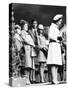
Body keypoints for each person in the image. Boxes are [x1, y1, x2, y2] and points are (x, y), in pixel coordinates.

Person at [47, 14, 63, 84]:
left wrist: (60, 39)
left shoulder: (56, 28)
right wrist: (56, 39)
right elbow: (50, 36)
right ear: (56, 21)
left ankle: (55, 78)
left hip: (56, 46)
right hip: (53, 45)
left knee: (56, 63)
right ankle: (54, 79)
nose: (60, 22)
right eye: (60, 21)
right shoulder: (52, 27)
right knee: (53, 63)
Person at [20, 20, 35, 84]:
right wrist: (31, 44)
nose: (26, 27)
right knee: (26, 65)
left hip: (30, 50)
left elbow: (32, 40)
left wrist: (32, 44)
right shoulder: (22, 32)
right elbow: (25, 40)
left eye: (27, 25)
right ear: (22, 26)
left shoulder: (27, 33)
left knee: (29, 66)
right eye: (25, 25)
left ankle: (28, 78)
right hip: (26, 49)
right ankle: (26, 79)